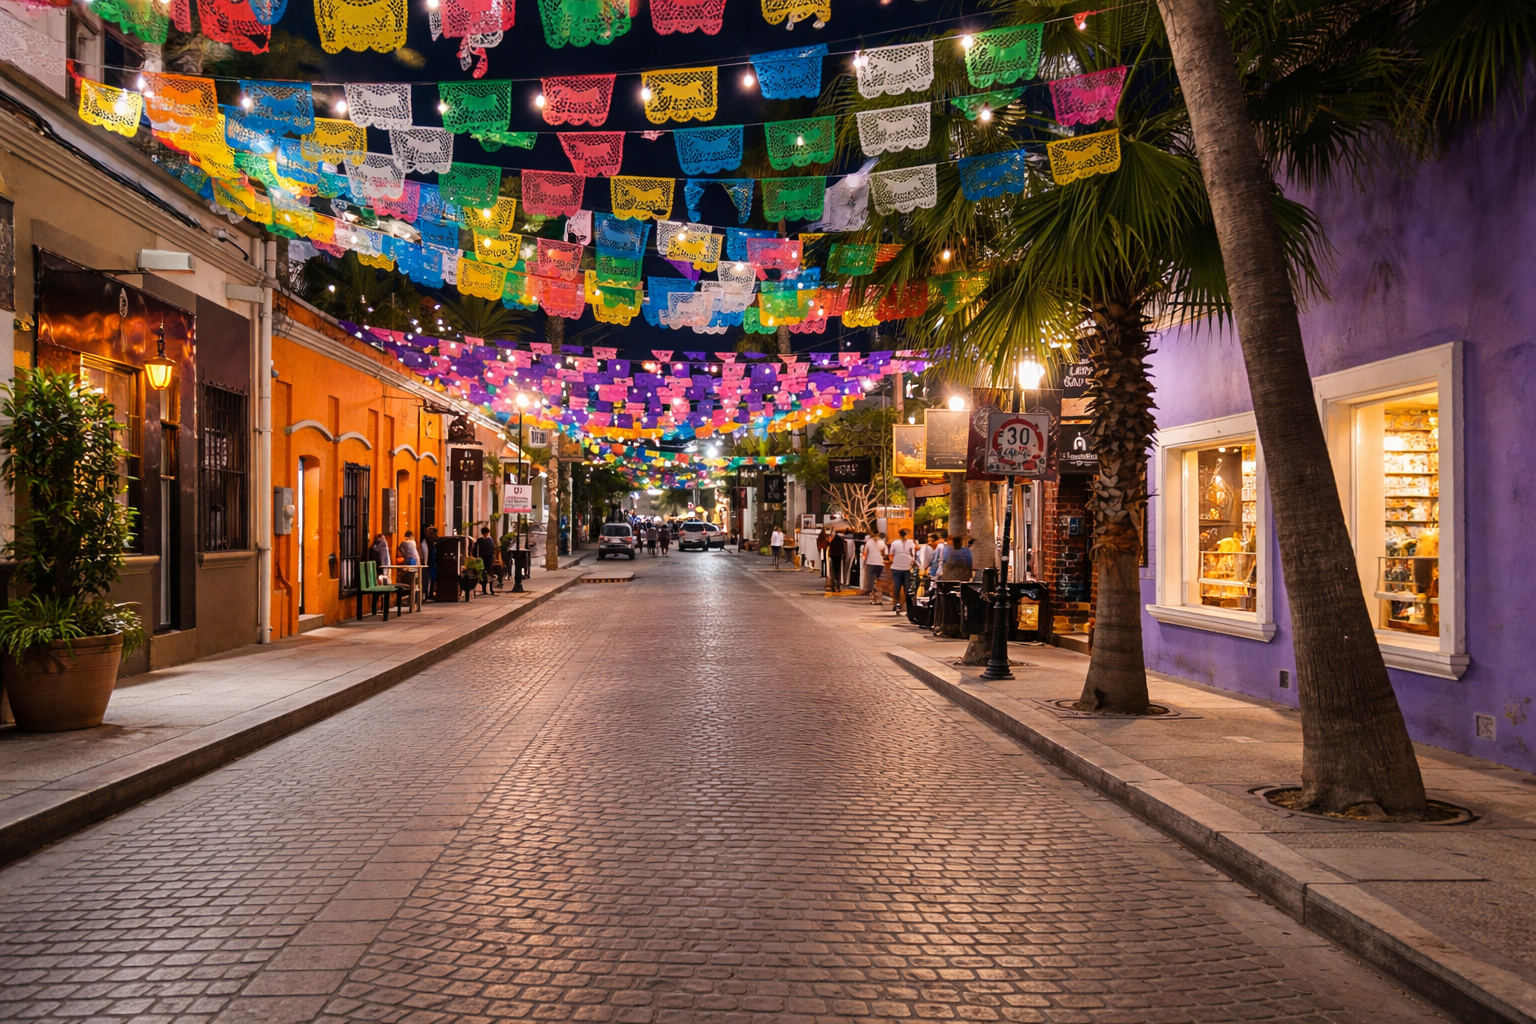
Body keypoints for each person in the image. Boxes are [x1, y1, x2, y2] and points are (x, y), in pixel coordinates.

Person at [887, 529, 915, 615]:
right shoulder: (911, 543)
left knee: (897, 587)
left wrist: (895, 561)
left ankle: (896, 605)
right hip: (907, 568)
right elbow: (913, 555)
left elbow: (890, 555)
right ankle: (907, 606)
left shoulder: (894, 543)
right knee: (907, 588)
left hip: (896, 568)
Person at [864, 531, 888, 605]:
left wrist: (864, 562)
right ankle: (879, 599)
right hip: (880, 563)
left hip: (870, 563)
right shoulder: (882, 542)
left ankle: (873, 598)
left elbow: (865, 553)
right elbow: (886, 553)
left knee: (871, 582)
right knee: (878, 582)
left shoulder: (868, 542)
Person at [475, 527, 498, 595]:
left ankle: (490, 589)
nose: (486, 534)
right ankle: (485, 589)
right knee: (484, 574)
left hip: (487, 559)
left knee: (489, 574)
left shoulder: (486, 540)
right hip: (484, 560)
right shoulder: (487, 540)